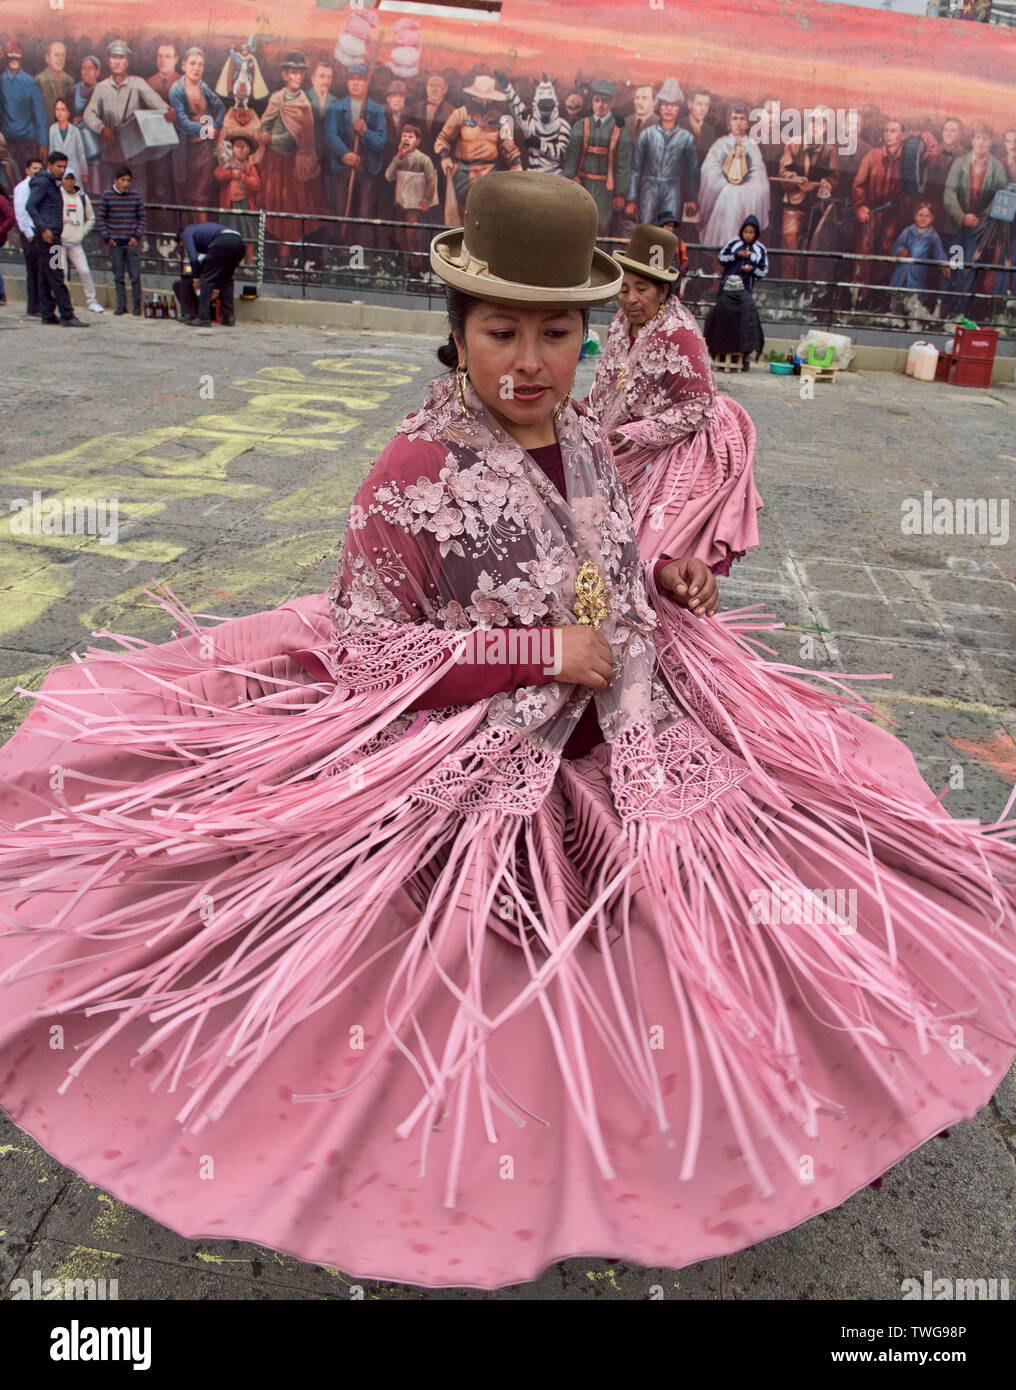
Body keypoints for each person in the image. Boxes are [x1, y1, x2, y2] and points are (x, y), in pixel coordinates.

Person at [1, 169, 1015, 1292]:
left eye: (555, 333)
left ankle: (654, 1142)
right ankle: (463, 1163)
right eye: (500, 331)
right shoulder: (409, 474)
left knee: (733, 912)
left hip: (623, 730)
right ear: (455, 330)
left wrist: (665, 579)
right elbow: (362, 656)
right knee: (478, 990)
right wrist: (531, 655)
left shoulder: (583, 437)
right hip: (473, 770)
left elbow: (608, 567)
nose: (527, 361)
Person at [588, 220, 760, 566]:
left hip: (672, 445)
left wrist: (638, 433)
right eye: (624, 290)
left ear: (663, 292)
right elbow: (609, 384)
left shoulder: (679, 333)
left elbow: (699, 405)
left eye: (641, 289)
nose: (631, 299)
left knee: (646, 542)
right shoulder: (620, 326)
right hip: (621, 442)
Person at [83, 39, 173, 204]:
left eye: (121, 57)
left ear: (127, 61)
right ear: (109, 60)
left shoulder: (137, 83)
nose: (117, 61)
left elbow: (156, 102)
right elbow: (89, 114)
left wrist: (168, 111)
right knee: (109, 201)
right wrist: (101, 128)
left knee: (137, 201)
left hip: (135, 155)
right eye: (113, 57)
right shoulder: (101, 87)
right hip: (110, 155)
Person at [259, 52, 327, 254]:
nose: (296, 77)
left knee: (293, 207)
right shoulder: (277, 98)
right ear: (285, 75)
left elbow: (299, 137)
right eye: (292, 73)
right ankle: (272, 253)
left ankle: (289, 255)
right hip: (274, 162)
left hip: (295, 165)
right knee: (272, 204)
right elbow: (266, 121)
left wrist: (273, 139)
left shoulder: (305, 104)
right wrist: (264, 133)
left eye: (300, 74)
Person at [434, 71, 521, 226]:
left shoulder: (503, 118)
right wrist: (445, 156)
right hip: (463, 171)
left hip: (488, 172)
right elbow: (443, 138)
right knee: (459, 216)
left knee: (486, 214)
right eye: (479, 96)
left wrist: (516, 163)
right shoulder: (460, 113)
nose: (482, 100)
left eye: (486, 97)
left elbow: (509, 144)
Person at [25, 150, 89, 326]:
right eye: (59, 166)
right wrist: (44, 228)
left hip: (52, 235)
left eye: (64, 167)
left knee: (46, 276)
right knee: (56, 273)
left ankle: (47, 313)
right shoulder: (44, 182)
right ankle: (67, 314)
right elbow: (30, 206)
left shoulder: (51, 183)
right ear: (50, 166)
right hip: (48, 237)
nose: (62, 170)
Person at [561, 78, 631, 237]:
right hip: (581, 184)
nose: (600, 105)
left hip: (606, 190)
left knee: (601, 226)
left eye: (605, 101)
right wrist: (571, 176)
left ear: (612, 103)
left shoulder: (619, 129)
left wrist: (620, 193)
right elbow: (572, 154)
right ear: (592, 102)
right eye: (597, 100)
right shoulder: (581, 125)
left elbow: (623, 165)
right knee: (578, 224)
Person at [625, 77, 698, 228]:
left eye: (673, 105)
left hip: (672, 189)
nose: (669, 109)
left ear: (678, 108)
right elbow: (636, 168)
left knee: (667, 229)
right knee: (645, 228)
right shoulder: (647, 134)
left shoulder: (686, 138)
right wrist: (632, 199)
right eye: (665, 104)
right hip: (648, 188)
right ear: (659, 106)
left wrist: (691, 199)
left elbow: (692, 172)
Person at [697, 102, 771, 250]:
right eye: (734, 118)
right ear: (728, 122)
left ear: (747, 122)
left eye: (742, 118)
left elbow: (759, 172)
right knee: (730, 194)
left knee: (739, 195)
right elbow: (710, 169)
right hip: (723, 194)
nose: (738, 123)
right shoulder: (721, 144)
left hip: (746, 197)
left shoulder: (752, 146)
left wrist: (747, 188)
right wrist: (725, 185)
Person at [384, 121, 437, 258]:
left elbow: (431, 179)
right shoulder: (399, 159)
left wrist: (426, 199)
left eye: (410, 137)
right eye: (404, 136)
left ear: (417, 141)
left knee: (412, 234)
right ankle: (406, 261)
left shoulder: (423, 159)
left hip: (415, 203)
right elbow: (388, 176)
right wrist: (398, 156)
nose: (406, 139)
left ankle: (416, 264)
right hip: (401, 202)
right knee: (401, 235)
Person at [176, 220, 245, 325]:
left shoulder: (187, 232)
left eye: (182, 245)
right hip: (239, 243)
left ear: (181, 237)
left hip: (223, 241)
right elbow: (213, 263)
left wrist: (196, 279)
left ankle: (203, 318)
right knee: (226, 279)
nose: (184, 246)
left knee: (206, 279)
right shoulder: (202, 233)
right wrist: (216, 287)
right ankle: (228, 317)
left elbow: (193, 259)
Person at [97, 165, 145, 315]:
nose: (126, 184)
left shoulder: (135, 196)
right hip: (115, 242)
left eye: (128, 181)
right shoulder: (107, 196)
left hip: (131, 242)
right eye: (123, 180)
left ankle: (137, 307)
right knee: (118, 277)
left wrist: (136, 236)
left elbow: (142, 218)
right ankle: (121, 305)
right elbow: (101, 219)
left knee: (135, 276)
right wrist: (108, 238)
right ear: (116, 180)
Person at [59, 167, 104, 312]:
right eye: (66, 178)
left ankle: (91, 301)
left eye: (72, 178)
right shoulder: (56, 195)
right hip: (57, 244)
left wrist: (81, 233)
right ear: (61, 179)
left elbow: (91, 218)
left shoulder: (83, 197)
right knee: (60, 273)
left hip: (75, 242)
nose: (69, 181)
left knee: (84, 271)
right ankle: (65, 302)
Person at [890, 201, 949, 310]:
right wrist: (900, 250)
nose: (923, 218)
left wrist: (944, 266)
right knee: (897, 299)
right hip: (902, 271)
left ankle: (913, 318)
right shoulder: (907, 232)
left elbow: (939, 253)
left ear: (932, 219)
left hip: (918, 272)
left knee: (916, 301)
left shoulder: (932, 236)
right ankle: (897, 317)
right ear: (915, 217)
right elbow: (896, 246)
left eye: (927, 216)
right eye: (920, 215)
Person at [1, 40, 46, 177]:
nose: (14, 57)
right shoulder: (1, 81)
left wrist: (43, 142)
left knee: (30, 178)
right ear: (6, 56)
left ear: (22, 56)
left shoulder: (30, 82)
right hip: (8, 141)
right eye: (11, 53)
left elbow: (40, 113)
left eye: (17, 53)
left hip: (28, 140)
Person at [213, 133, 261, 253]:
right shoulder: (226, 165)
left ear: (249, 150)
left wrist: (244, 178)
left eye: (244, 147)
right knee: (230, 235)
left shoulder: (250, 168)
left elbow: (257, 184)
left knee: (249, 234)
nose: (240, 150)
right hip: (230, 205)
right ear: (232, 149)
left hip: (245, 205)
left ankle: (249, 261)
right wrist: (231, 174)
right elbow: (217, 175)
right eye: (237, 147)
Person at [13, 155, 43, 317]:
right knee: (34, 270)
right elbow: (21, 212)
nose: (37, 172)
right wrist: (29, 233)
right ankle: (34, 306)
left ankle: (45, 303)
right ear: (27, 170)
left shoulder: (42, 186)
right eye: (34, 168)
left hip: (45, 234)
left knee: (50, 267)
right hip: (31, 233)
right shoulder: (23, 188)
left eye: (40, 168)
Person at [70, 54, 102, 195]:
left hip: (95, 141)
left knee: (95, 181)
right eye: (84, 68)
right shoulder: (73, 90)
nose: (87, 71)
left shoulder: (103, 90)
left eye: (91, 68)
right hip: (78, 139)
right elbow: (66, 111)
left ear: (97, 71)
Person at [717, 214, 768, 293]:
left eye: (751, 233)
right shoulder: (734, 242)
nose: (747, 235)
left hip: (745, 290)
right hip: (727, 288)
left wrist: (752, 269)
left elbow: (763, 271)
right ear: (742, 231)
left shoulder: (760, 249)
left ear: (756, 234)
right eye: (746, 232)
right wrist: (736, 255)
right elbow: (721, 258)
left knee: (744, 304)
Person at [47, 97, 89, 183]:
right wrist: (50, 169)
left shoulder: (75, 131)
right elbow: (51, 151)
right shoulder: (52, 129)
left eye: (63, 109)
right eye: (57, 109)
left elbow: (81, 153)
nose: (59, 113)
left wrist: (84, 172)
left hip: (73, 168)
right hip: (57, 170)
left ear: (68, 112)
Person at [34, 40, 74, 127]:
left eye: (63, 55)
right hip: (45, 132)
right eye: (56, 55)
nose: (60, 59)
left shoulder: (70, 81)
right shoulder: (39, 81)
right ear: (47, 58)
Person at [0, 181, 14, 303]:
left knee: (56, 265)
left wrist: (1, 231)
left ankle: (1, 294)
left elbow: (11, 218)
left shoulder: (1, 200)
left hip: (57, 246)